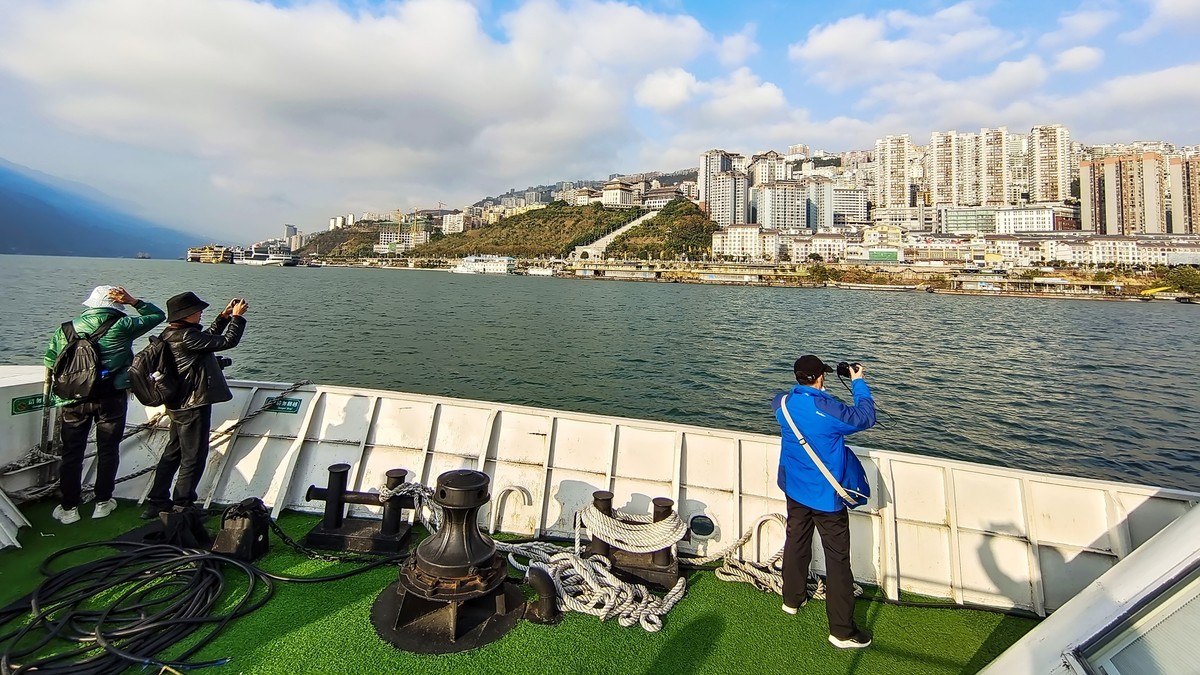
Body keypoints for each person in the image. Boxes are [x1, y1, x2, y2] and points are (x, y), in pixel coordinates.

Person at [772, 355, 876, 649]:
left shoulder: (782, 405)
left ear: (797, 377)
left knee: (796, 541)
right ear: (821, 378)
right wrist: (857, 381)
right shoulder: (827, 409)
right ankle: (841, 631)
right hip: (826, 498)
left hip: (795, 489)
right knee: (838, 559)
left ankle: (792, 599)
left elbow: (781, 399)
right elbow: (865, 417)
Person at [43, 286, 166, 524]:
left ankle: (69, 508)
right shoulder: (122, 326)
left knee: (71, 453)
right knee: (108, 450)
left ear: (91, 304)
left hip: (73, 399)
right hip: (110, 397)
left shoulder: (66, 328)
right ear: (115, 305)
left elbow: (50, 359)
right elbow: (158, 316)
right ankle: (103, 502)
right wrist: (132, 300)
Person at [143, 292, 248, 518]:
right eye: (197, 311)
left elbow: (206, 339)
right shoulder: (187, 337)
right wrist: (237, 318)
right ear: (187, 315)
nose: (201, 313)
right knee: (193, 456)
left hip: (177, 403)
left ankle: (157, 501)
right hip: (192, 404)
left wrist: (223, 317)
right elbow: (227, 341)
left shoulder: (171, 334)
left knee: (173, 452)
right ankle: (183, 504)